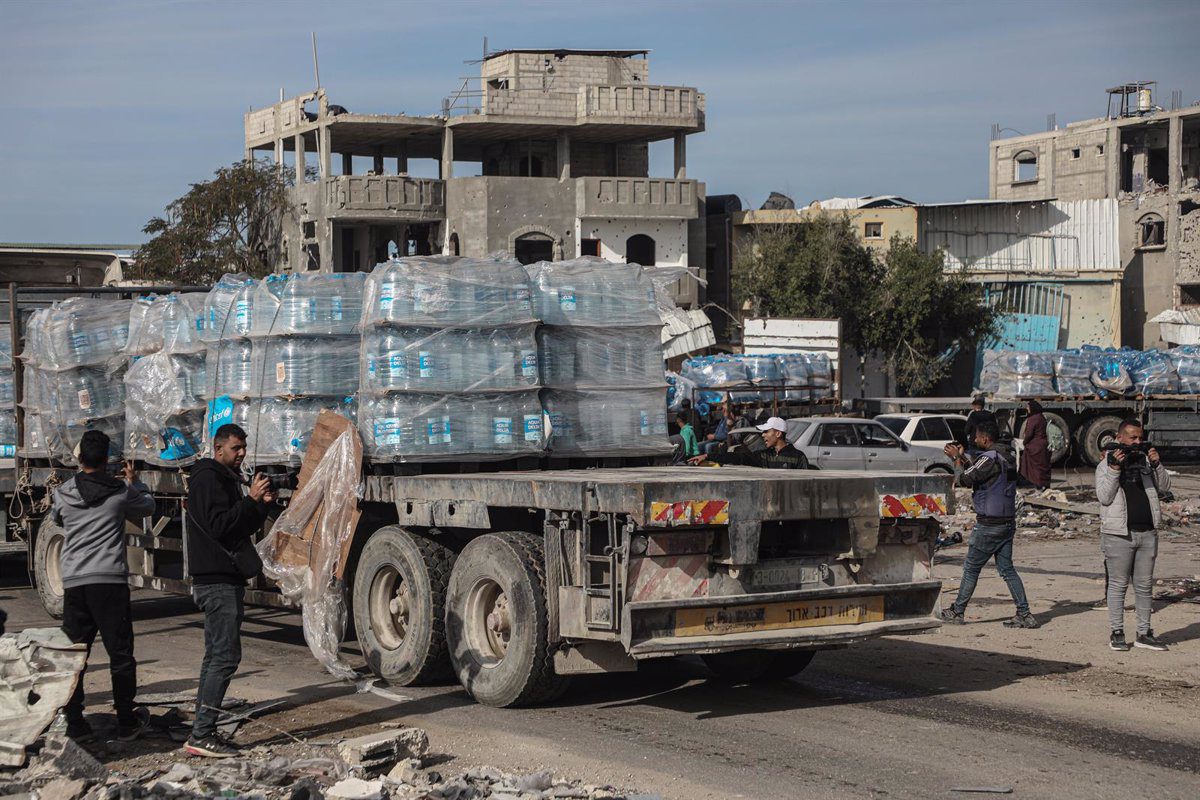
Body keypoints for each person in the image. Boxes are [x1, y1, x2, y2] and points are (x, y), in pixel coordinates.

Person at [53, 430, 156, 742]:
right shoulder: (121, 492)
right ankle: (126, 719)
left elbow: (58, 519)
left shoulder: (64, 493)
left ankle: (74, 721)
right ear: (108, 459)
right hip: (109, 581)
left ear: (80, 458)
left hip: (75, 582)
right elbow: (148, 506)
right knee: (120, 653)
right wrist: (134, 481)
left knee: (75, 654)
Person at [184, 424, 276, 758]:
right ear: (218, 447)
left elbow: (239, 525)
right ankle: (202, 733)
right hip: (216, 580)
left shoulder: (223, 479)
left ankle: (202, 729)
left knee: (217, 656)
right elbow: (219, 526)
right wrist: (250, 500)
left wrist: (260, 505)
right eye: (235, 448)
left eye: (243, 449)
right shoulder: (208, 478)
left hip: (224, 579)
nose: (240, 455)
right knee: (224, 656)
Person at [940, 421, 1040, 629]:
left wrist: (956, 460)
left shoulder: (988, 457)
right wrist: (964, 458)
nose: (975, 440)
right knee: (1007, 569)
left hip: (989, 525)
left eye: (976, 437)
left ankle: (957, 611)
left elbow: (965, 480)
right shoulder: (1007, 456)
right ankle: (1024, 614)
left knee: (971, 568)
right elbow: (980, 474)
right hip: (1006, 523)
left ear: (985, 438)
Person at [1095, 419, 1170, 652]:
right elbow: (1105, 497)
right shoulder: (1105, 465)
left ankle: (1144, 633)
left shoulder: (1146, 462)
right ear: (1120, 439)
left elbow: (1165, 487)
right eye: (1132, 438)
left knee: (1145, 586)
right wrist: (1115, 469)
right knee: (1118, 585)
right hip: (1119, 534)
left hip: (1147, 533)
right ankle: (1117, 633)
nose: (1137, 442)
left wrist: (1157, 464)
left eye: (1140, 438)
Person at [688, 416, 808, 469]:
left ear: (778, 434)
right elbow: (738, 457)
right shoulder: (764, 455)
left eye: (766, 431)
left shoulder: (798, 457)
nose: (763, 435)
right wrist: (707, 456)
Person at [1018, 399, 1052, 490]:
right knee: (1043, 467)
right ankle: (1045, 485)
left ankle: (1039, 486)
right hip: (1043, 445)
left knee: (1035, 469)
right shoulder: (1041, 417)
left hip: (1035, 447)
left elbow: (1029, 434)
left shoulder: (1033, 419)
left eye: (1028, 407)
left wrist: (1024, 442)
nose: (1027, 409)